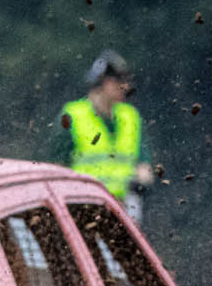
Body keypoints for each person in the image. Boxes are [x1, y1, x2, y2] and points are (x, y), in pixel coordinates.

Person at [60, 51, 155, 224]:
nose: (126, 87)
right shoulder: (72, 115)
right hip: (83, 210)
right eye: (121, 81)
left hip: (124, 209)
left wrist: (140, 182)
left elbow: (145, 167)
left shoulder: (130, 117)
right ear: (107, 83)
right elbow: (57, 168)